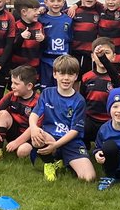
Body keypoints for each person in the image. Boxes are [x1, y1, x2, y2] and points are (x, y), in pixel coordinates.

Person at [29, 54, 95, 182]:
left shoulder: (79, 100)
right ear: (55, 74)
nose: (66, 78)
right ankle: (49, 163)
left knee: (89, 178)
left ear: (76, 77)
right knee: (38, 137)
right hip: (50, 137)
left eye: (70, 74)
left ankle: (63, 161)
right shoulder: (47, 93)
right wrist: (33, 127)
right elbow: (34, 114)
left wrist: (55, 145)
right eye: (62, 73)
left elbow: (75, 130)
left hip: (71, 142)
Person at [0, 65, 39, 163]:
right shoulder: (11, 95)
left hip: (29, 137)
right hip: (14, 131)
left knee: (22, 152)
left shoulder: (38, 102)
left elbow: (33, 127)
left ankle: (35, 151)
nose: (12, 86)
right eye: (12, 82)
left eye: (16, 84)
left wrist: (17, 143)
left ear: (29, 86)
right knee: (2, 114)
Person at [81, 38, 118, 148]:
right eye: (99, 54)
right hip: (90, 119)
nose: (103, 56)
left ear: (114, 56)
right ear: (92, 56)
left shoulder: (116, 78)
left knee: (109, 148)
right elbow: (82, 101)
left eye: (107, 53)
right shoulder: (86, 77)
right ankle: (84, 143)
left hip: (109, 121)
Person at [40, 0, 72, 91]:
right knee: (46, 90)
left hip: (63, 59)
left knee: (62, 88)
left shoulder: (68, 20)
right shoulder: (41, 19)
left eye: (59, 0)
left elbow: (70, 39)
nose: (56, 4)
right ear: (46, 3)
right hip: (46, 60)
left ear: (63, 2)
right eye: (52, 1)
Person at [68, 0, 103, 77]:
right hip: (75, 52)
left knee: (89, 78)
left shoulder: (99, 11)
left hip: (91, 54)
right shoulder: (73, 11)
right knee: (74, 78)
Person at [10, 0, 45, 75]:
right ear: (24, 12)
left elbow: (44, 47)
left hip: (34, 67)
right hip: (17, 67)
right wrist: (21, 37)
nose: (38, 12)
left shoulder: (39, 26)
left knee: (33, 87)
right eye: (35, 10)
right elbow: (12, 48)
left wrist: (43, 39)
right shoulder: (16, 26)